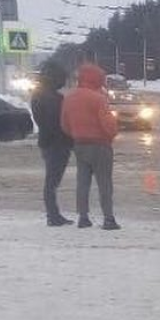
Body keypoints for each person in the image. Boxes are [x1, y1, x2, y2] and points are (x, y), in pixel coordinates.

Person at [61, 63, 121, 230]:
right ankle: (108, 219)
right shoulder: (98, 98)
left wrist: (76, 135)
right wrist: (112, 133)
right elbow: (108, 124)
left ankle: (83, 217)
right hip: (100, 146)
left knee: (82, 182)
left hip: (79, 145)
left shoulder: (69, 97)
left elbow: (64, 124)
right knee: (104, 184)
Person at [30, 61, 74, 227]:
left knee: (51, 181)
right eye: (61, 79)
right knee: (52, 182)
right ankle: (53, 216)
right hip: (57, 143)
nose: (63, 82)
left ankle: (53, 214)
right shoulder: (53, 98)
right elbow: (59, 122)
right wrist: (68, 139)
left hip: (48, 141)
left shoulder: (38, 94)